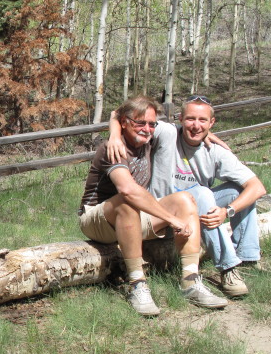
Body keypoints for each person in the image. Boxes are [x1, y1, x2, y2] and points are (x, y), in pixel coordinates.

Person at [79, 96, 227, 316]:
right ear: (125, 123)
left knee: (185, 199)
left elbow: (186, 129)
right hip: (97, 218)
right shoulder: (113, 148)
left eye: (151, 124)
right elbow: (128, 190)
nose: (147, 129)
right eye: (140, 123)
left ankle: (190, 281)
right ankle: (137, 283)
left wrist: (207, 133)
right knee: (127, 200)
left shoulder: (149, 140)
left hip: (133, 217)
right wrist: (171, 219)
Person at [107, 95, 267, 298]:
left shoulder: (215, 151)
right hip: (163, 211)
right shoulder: (167, 133)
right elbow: (118, 113)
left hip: (196, 212)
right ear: (180, 118)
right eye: (191, 119)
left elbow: (257, 187)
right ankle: (227, 268)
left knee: (237, 191)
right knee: (201, 193)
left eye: (202, 120)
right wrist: (114, 135)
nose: (196, 125)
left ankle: (247, 257)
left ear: (212, 123)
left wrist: (227, 211)